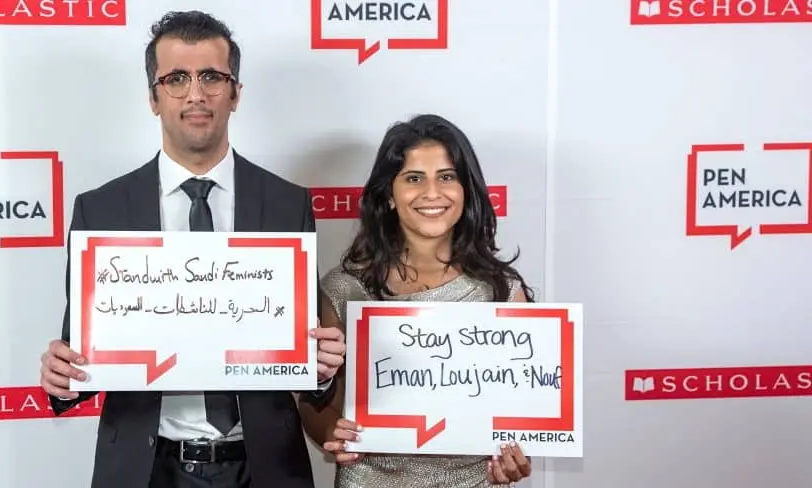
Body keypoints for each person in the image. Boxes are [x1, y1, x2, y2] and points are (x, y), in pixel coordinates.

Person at [38, 11, 346, 488]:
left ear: (236, 93)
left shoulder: (287, 204)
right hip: (146, 470)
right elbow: (79, 356)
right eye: (177, 79)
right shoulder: (101, 210)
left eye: (211, 77)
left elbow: (302, 351)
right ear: (153, 97)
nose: (196, 94)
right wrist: (61, 375)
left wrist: (322, 371)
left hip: (265, 467)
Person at [297, 114, 535, 487]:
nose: (431, 193)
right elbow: (317, 400)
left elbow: (522, 419)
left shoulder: (501, 293)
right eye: (413, 178)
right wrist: (334, 433)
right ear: (389, 195)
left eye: (446, 176)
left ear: (466, 190)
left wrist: (513, 458)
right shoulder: (344, 289)